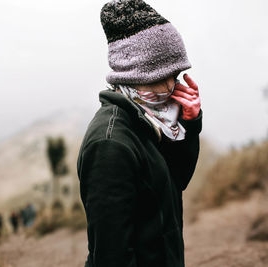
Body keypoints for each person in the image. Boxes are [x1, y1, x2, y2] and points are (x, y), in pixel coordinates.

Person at [77, 1, 202, 266]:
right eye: (160, 76)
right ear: (131, 74)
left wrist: (190, 125)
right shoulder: (110, 145)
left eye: (176, 74)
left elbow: (175, 180)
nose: (170, 86)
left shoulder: (149, 121)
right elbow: (112, 257)